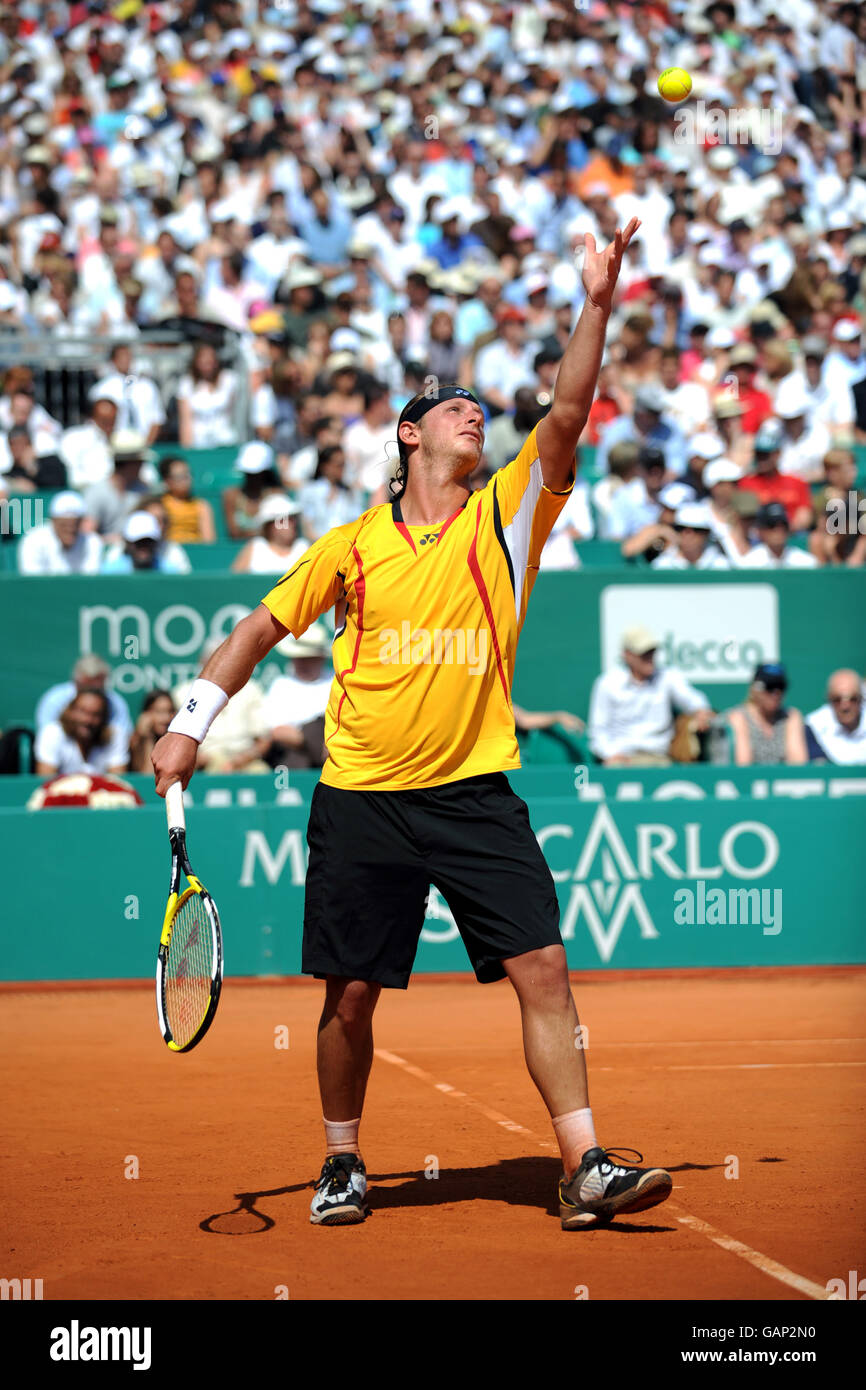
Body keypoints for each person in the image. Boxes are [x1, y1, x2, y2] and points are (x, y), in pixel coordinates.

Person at [152, 218, 675, 1233]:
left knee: (545, 969)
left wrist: (597, 300)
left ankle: (582, 1165)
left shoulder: (507, 516)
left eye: (482, 408)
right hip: (361, 799)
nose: (474, 416)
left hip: (475, 791)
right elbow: (261, 626)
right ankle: (342, 1159)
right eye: (455, 408)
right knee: (350, 997)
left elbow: (565, 409)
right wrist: (189, 721)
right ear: (409, 432)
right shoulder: (349, 545)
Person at [588, 625, 713, 767]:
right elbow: (598, 730)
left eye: (652, 652)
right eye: (643, 653)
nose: (649, 658)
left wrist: (701, 710)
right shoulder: (607, 683)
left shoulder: (667, 677)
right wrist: (610, 754)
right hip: (622, 760)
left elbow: (692, 698)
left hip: (660, 759)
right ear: (627, 655)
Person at [262, 624, 333, 770]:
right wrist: (311, 740)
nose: (302, 663)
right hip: (294, 755)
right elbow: (277, 732)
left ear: (321, 658)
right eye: (299, 658)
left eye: (309, 658)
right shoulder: (281, 685)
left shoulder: (336, 680)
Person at [725, 664, 808, 766]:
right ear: (755, 688)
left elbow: (798, 764)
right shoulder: (738, 717)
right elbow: (743, 766)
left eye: (781, 687)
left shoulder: (790, 716)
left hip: (783, 781)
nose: (776, 693)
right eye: (770, 686)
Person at [35, 654, 132, 741]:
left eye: (97, 689)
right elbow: (46, 738)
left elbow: (124, 736)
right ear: (76, 682)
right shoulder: (54, 699)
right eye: (87, 688)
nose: (88, 720)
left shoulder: (116, 702)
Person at [35, 689, 129, 777]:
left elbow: (118, 780)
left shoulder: (115, 736)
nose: (87, 720)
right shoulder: (52, 733)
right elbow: (46, 781)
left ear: (104, 718)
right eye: (82, 711)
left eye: (95, 714)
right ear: (69, 711)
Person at [16, 491, 103, 575]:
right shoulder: (33, 541)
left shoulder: (92, 542)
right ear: (53, 521)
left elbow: (89, 581)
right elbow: (32, 582)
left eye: (75, 524)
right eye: (64, 525)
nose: (70, 529)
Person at [177, 342, 239, 448]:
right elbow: (185, 420)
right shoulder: (186, 384)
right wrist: (187, 449)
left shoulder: (229, 379)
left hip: (226, 440)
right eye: (204, 361)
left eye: (210, 361)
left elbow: (237, 412)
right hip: (198, 442)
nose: (207, 365)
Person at [222, 441, 285, 540]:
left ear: (265, 472)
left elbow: (281, 529)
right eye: (249, 473)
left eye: (257, 473)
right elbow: (234, 533)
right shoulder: (230, 495)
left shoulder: (277, 495)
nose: (252, 477)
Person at [231, 495, 309, 574]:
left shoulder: (303, 547)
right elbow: (235, 580)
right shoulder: (255, 546)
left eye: (292, 519)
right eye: (284, 520)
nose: (292, 524)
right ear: (269, 526)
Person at [805, 669, 866, 764]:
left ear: (861, 699)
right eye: (837, 699)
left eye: (852, 699)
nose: (845, 706)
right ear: (829, 699)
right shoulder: (813, 727)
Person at [100, 510, 190, 574]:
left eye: (148, 541)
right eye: (138, 542)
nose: (143, 547)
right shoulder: (111, 571)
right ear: (127, 542)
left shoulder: (170, 571)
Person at [738, 501, 820, 569]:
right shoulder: (749, 564)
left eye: (783, 525)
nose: (778, 530)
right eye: (771, 525)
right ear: (760, 530)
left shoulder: (806, 563)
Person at [652, 503, 730, 570]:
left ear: (707, 533)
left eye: (696, 529)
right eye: (681, 528)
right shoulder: (662, 565)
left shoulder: (721, 565)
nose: (688, 534)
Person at [158, 456, 216, 544]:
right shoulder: (160, 505)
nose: (187, 480)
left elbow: (209, 541)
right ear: (167, 481)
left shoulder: (201, 505)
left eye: (188, 475)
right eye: (180, 476)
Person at [128, 690, 177, 773]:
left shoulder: (178, 741)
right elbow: (148, 775)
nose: (166, 718)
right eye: (159, 712)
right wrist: (147, 737)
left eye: (170, 711)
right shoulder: (135, 741)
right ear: (146, 714)